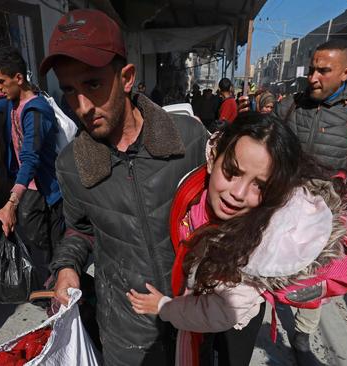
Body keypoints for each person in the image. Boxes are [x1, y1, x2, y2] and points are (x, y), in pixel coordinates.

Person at [39, 9, 210, 365]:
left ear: (127, 77)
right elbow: (79, 229)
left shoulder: (190, 139)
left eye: (93, 84)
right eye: (69, 90)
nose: (82, 106)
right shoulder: (71, 164)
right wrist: (67, 265)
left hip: (195, 319)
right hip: (125, 333)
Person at [127, 115, 347, 366]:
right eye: (232, 172)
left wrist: (165, 307)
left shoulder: (262, 247)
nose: (237, 194)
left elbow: (218, 314)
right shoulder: (196, 190)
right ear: (213, 157)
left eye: (259, 186)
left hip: (228, 318)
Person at [269, 39, 347, 365]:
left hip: (327, 212)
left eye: (324, 70)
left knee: (311, 276)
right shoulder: (289, 105)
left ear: (346, 72)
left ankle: (302, 336)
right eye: (312, 69)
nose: (313, 77)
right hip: (282, 201)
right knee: (268, 261)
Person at [0, 46, 63, 292]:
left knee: (48, 237)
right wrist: (0, 87)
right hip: (28, 183)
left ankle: (60, 282)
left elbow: (30, 158)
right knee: (39, 235)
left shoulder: (36, 111)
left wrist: (11, 202)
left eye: (2, 81)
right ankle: (55, 274)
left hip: (45, 184)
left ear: (19, 78)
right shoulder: (10, 103)